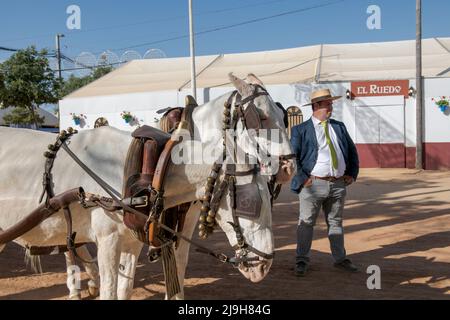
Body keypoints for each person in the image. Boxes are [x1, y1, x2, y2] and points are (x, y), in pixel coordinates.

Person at [290, 88, 359, 277]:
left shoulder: (339, 126)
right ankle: (301, 260)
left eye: (331, 103)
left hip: (338, 184)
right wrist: (303, 179)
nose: (331, 107)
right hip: (312, 184)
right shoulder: (300, 130)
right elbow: (293, 158)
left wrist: (351, 173)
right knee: (305, 224)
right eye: (328, 104)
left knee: (335, 222)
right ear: (317, 106)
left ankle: (340, 259)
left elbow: (352, 152)